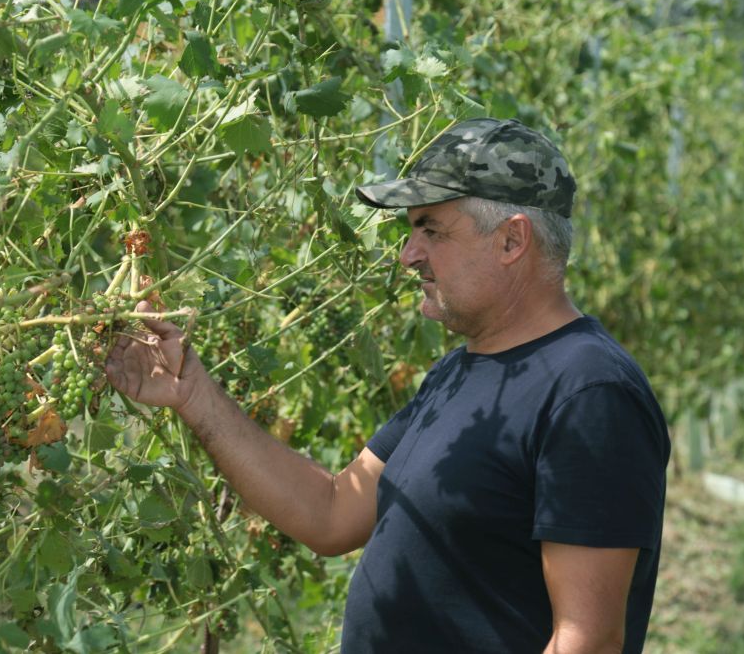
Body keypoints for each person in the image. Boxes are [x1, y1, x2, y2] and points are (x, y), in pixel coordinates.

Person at [106, 117, 671, 654]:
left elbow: (587, 640)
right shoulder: (458, 375)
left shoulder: (589, 393)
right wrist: (192, 391)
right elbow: (330, 512)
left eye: (431, 229)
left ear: (511, 241)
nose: (409, 255)